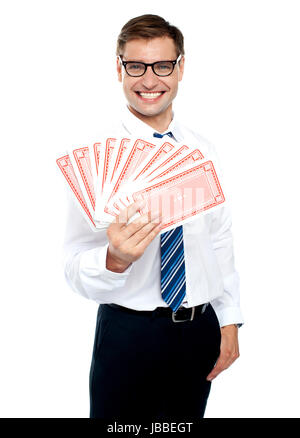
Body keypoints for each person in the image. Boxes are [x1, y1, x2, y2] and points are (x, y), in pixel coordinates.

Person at [63, 14, 244, 420]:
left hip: (200, 329)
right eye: (136, 66)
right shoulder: (95, 156)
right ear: (119, 68)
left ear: (180, 67)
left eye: (162, 65)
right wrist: (113, 260)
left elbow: (218, 239)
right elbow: (72, 263)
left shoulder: (202, 149)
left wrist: (228, 319)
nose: (150, 80)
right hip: (129, 334)